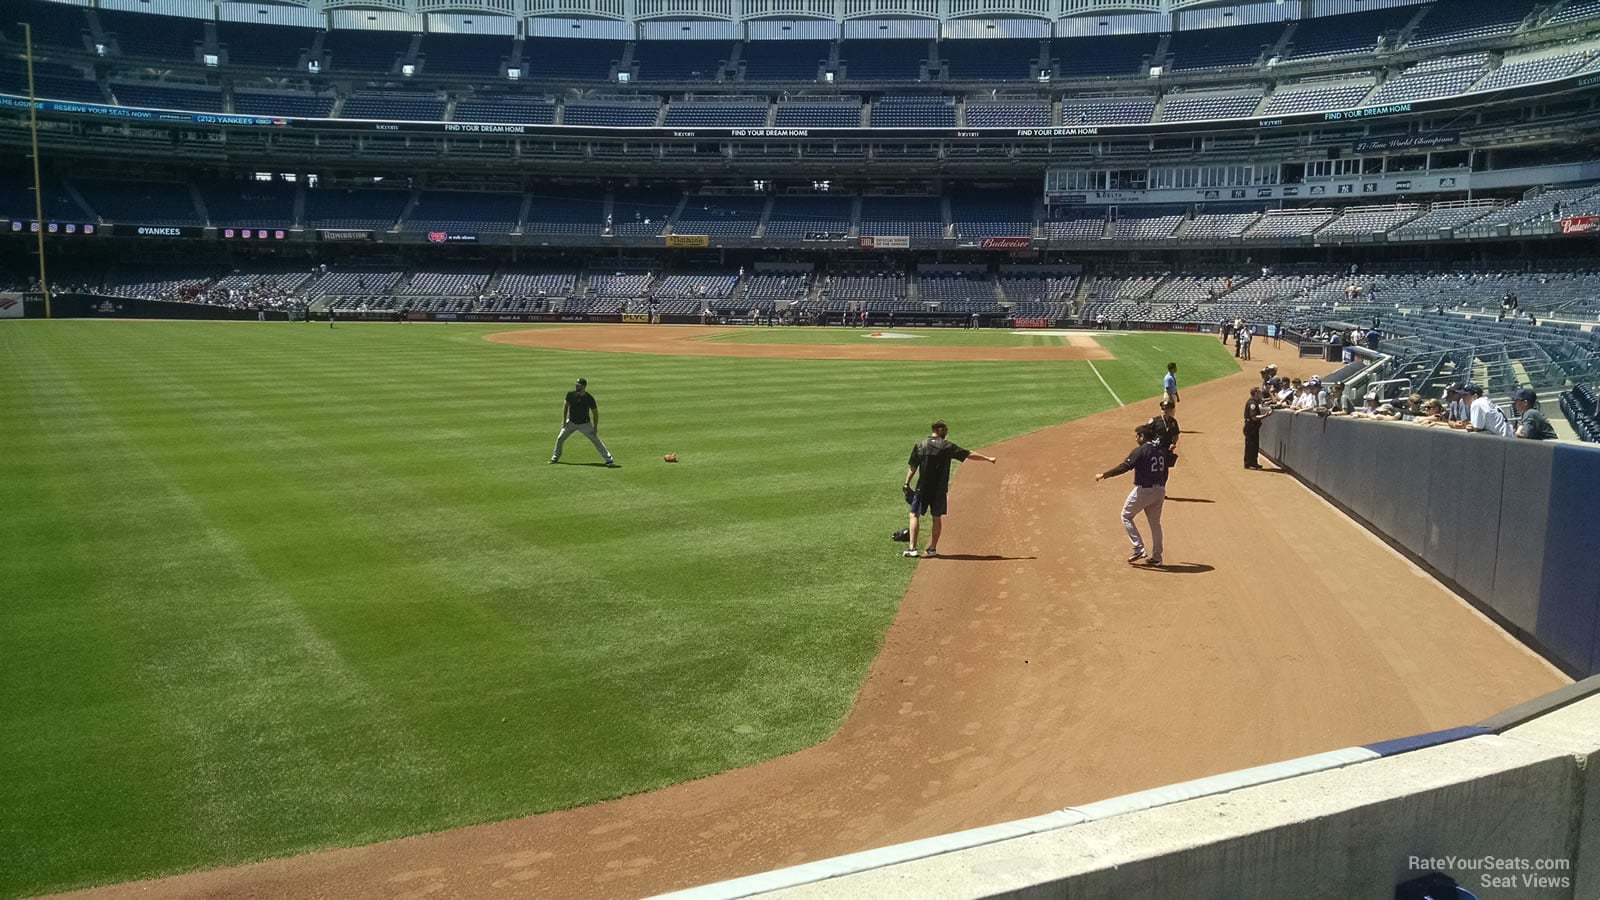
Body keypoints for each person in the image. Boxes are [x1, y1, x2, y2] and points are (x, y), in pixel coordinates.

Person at [901, 420, 997, 558]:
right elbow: (968, 454)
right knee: (936, 517)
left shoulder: (920, 445)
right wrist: (987, 458)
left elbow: (913, 467)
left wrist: (906, 483)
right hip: (939, 489)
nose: (946, 432)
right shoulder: (947, 446)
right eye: (945, 430)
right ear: (939, 429)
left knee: (914, 514)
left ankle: (912, 549)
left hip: (922, 488)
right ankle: (933, 548)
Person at [1094, 423, 1170, 567]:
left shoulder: (1141, 451)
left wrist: (1104, 475)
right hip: (1160, 490)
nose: (1135, 439)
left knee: (1126, 516)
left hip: (1144, 491)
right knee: (1155, 524)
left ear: (1142, 436)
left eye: (1136, 436)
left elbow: (1124, 467)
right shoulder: (1160, 450)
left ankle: (1139, 548)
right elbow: (1168, 465)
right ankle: (1157, 557)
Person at [550, 378, 617, 466]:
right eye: (576, 385)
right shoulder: (570, 395)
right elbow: (566, 406)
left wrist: (595, 427)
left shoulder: (589, 398)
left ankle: (609, 460)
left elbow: (595, 413)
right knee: (560, 438)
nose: (577, 386)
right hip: (571, 423)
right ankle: (555, 457)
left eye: (579, 385)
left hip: (585, 424)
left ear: (584, 386)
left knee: (596, 440)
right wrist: (564, 421)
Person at [1244, 387, 1272, 469]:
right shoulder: (1252, 403)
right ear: (1256, 393)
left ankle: (1254, 462)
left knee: (1255, 445)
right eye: (1259, 392)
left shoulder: (1255, 401)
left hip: (1253, 427)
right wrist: (1265, 415)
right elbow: (1254, 417)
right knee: (1251, 446)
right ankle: (1249, 464)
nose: (1261, 394)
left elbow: (1263, 401)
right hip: (1251, 427)